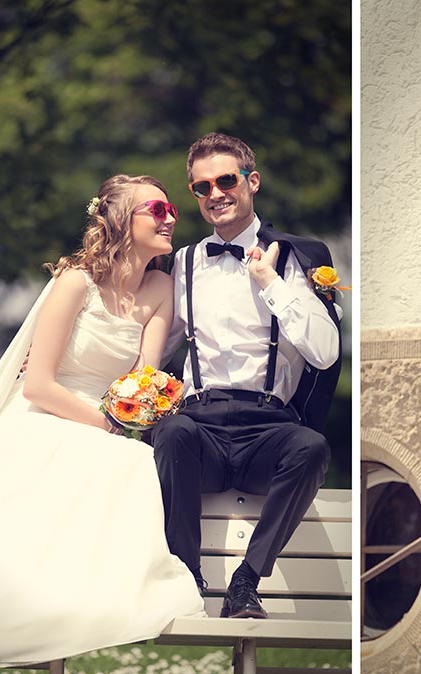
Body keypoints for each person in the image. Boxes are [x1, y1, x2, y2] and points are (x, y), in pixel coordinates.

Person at [0, 175, 202, 670]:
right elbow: (37, 384)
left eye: (172, 208)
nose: (171, 216)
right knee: (109, 455)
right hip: (44, 414)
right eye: (157, 208)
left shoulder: (160, 288)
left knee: (131, 459)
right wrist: (105, 425)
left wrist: (139, 408)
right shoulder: (74, 282)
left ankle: (80, 597)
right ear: (122, 221)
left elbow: (143, 381)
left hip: (104, 422)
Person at [153, 132, 341, 620]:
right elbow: (155, 346)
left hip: (268, 430)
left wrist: (271, 284)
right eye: (201, 187)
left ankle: (246, 581)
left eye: (226, 180)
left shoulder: (297, 257)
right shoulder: (184, 263)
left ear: (251, 182)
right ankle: (187, 577)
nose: (215, 194)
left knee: (312, 447)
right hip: (201, 430)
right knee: (170, 431)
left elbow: (324, 353)